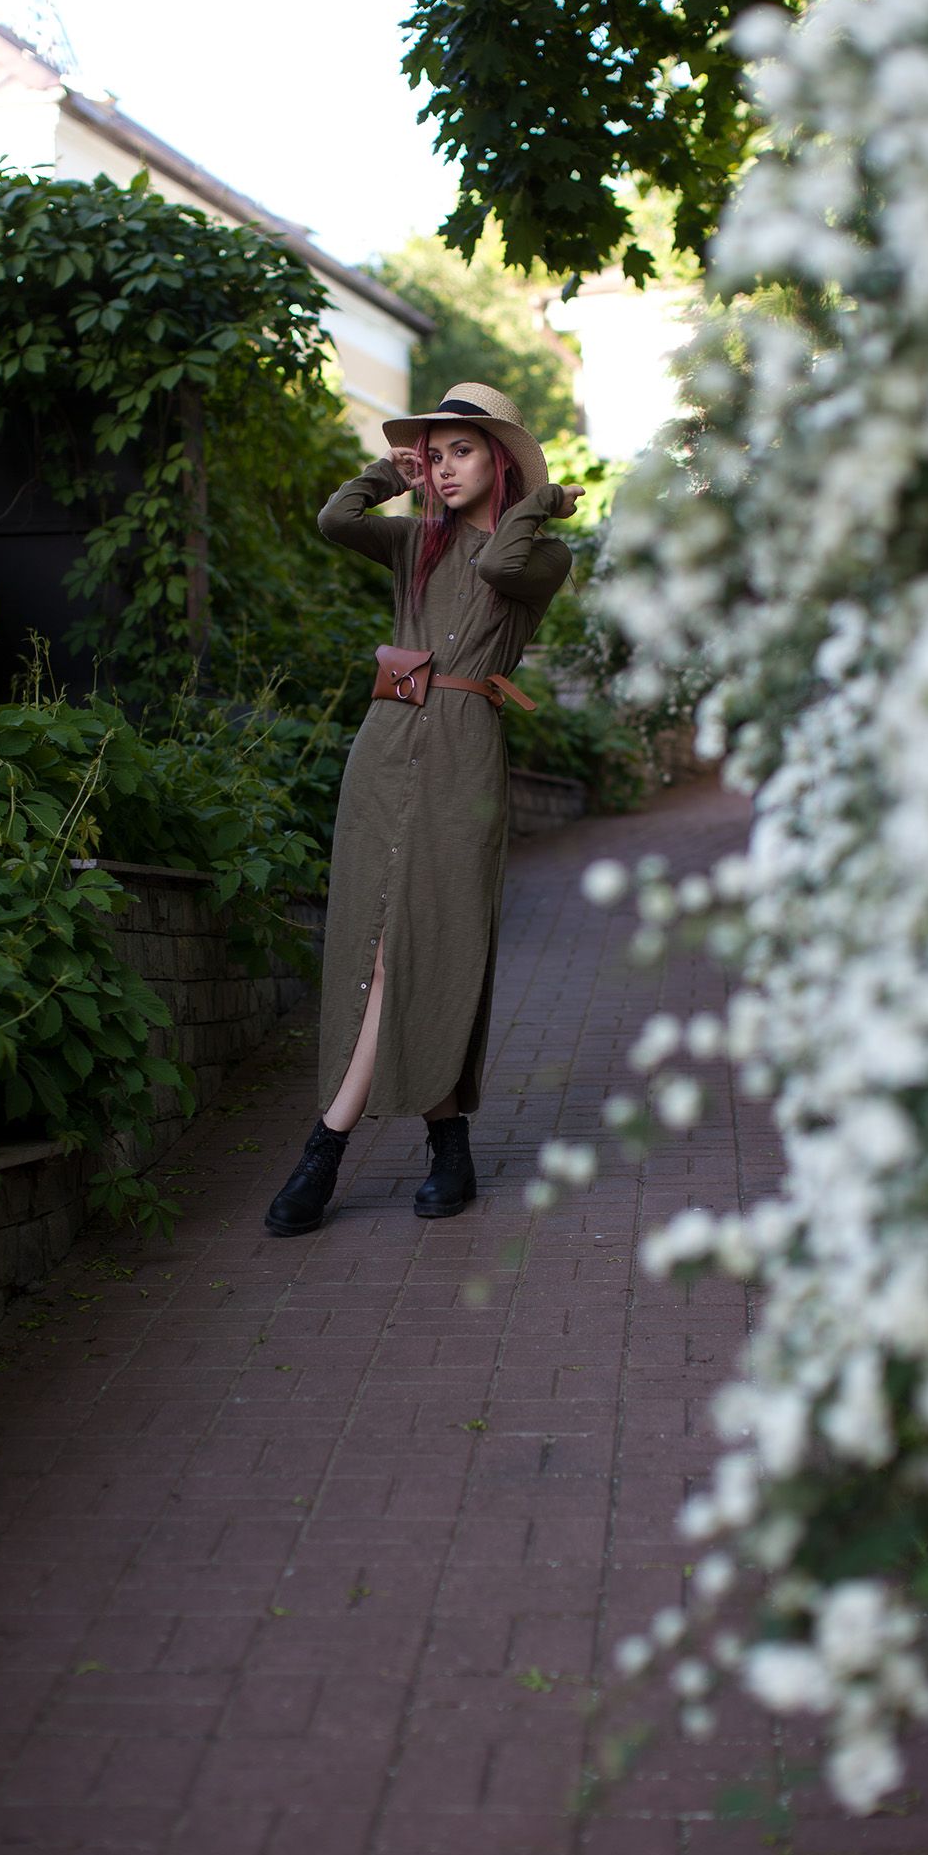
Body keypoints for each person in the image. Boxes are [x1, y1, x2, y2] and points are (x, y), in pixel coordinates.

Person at [263, 381, 583, 1236]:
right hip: (385, 744)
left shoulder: (543, 553)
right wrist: (387, 474)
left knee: (437, 940)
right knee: (373, 942)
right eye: (433, 456)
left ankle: (325, 1151)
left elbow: (499, 568)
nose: (441, 469)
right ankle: (448, 1148)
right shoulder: (413, 542)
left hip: (463, 754)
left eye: (460, 452)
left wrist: (536, 504)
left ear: (501, 461)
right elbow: (335, 520)